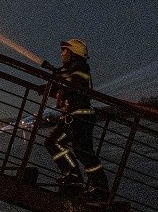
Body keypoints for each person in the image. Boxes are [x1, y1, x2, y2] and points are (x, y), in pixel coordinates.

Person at [43, 39, 110, 196]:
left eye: (65, 50)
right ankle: (72, 174)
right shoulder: (72, 69)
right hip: (72, 116)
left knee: (84, 152)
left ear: (74, 53)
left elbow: (75, 86)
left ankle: (101, 189)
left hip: (81, 116)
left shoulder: (79, 67)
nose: (62, 54)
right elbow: (64, 88)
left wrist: (61, 78)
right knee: (52, 142)